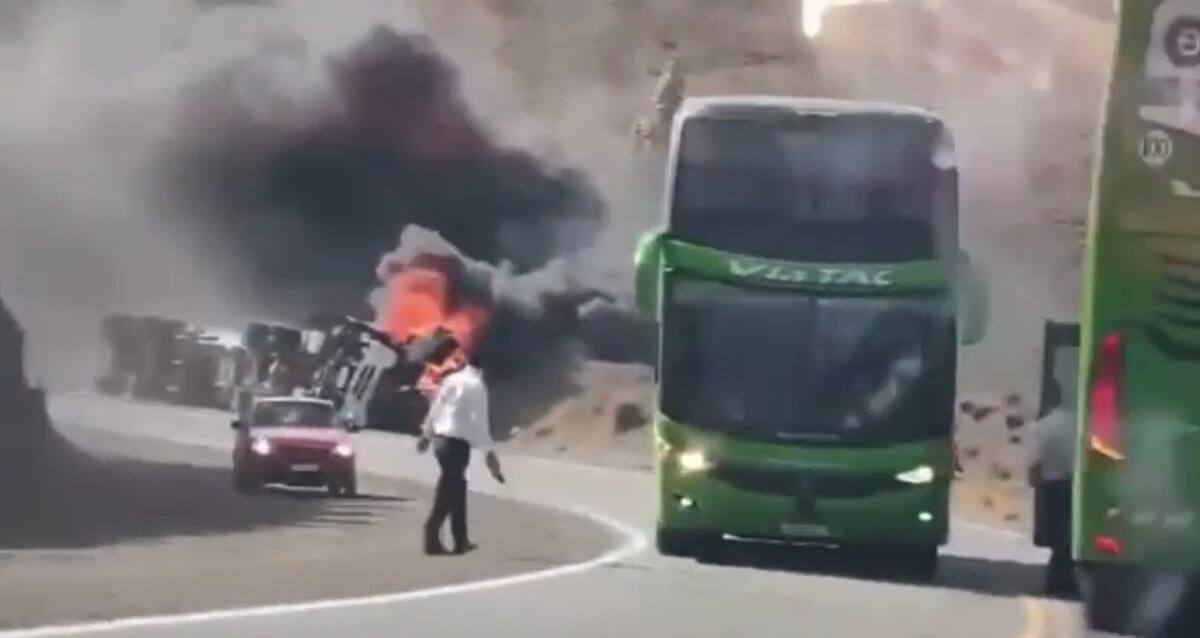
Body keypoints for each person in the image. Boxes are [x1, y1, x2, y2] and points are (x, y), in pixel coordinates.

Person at [416, 351, 505, 555]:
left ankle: (460, 539)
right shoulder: (477, 386)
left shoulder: (452, 380)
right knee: (449, 489)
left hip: (441, 440)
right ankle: (431, 534)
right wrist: (490, 456)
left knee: (457, 486)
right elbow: (481, 424)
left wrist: (426, 434)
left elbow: (436, 408)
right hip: (456, 444)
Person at [1030, 377, 1078, 596]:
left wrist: (1035, 484)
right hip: (1074, 485)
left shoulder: (1041, 427)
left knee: (1056, 539)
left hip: (1051, 487)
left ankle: (1056, 582)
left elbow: (1035, 466)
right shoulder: (1077, 423)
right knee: (1069, 537)